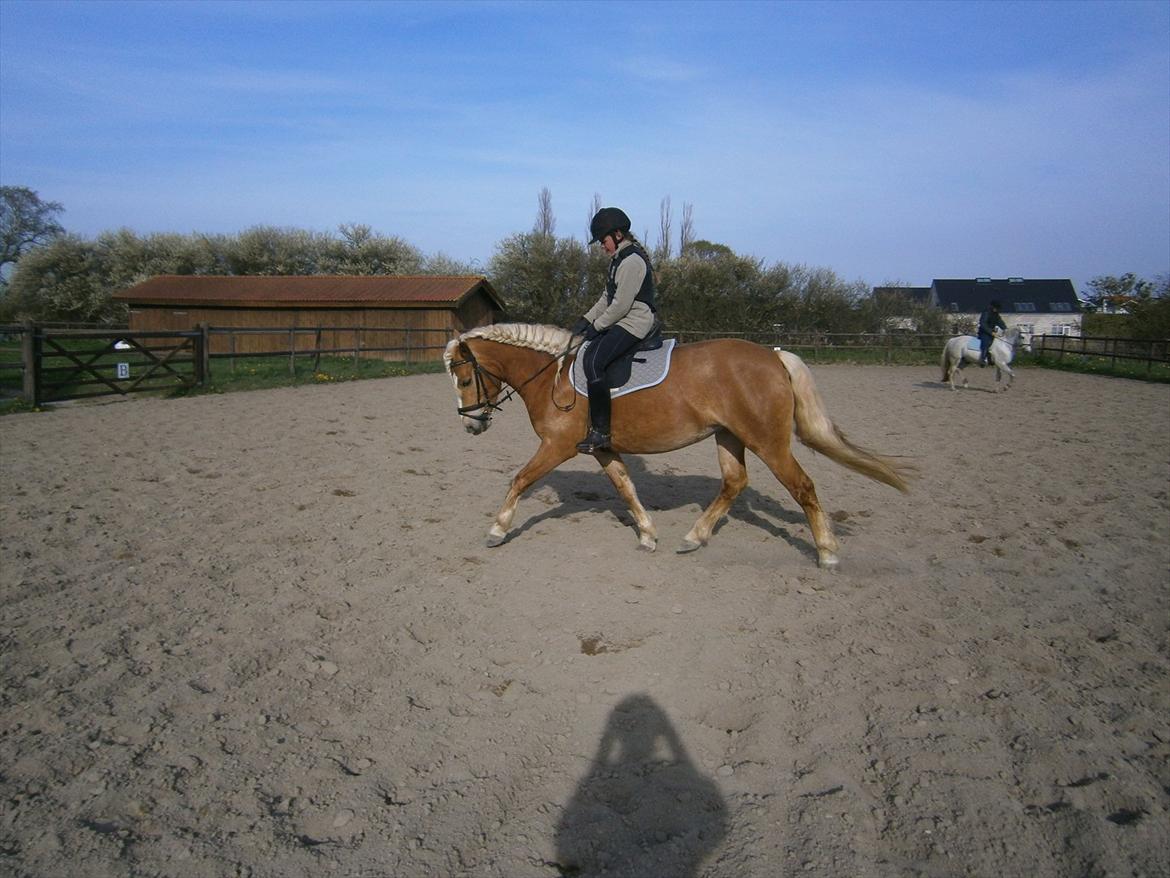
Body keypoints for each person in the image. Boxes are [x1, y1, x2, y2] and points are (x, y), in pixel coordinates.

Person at [570, 207, 659, 453]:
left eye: (603, 240)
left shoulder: (631, 261)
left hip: (635, 321)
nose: (601, 245)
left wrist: (596, 328)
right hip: (624, 318)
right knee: (590, 353)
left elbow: (620, 305)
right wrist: (585, 320)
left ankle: (601, 432)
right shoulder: (617, 261)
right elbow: (606, 298)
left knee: (594, 360)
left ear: (618, 235)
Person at [977, 300, 1006, 367]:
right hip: (984, 332)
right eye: (996, 308)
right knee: (986, 342)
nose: (997, 310)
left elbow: (1000, 322)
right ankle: (982, 359)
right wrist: (991, 332)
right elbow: (983, 324)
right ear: (993, 307)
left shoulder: (996, 314)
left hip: (993, 332)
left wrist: (1005, 329)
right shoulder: (986, 313)